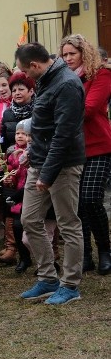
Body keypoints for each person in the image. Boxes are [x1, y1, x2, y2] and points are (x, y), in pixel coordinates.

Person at [15, 43, 86, 305]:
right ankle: (47, 278)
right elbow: (43, 126)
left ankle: (70, 285)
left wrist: (47, 174)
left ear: (35, 65)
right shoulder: (47, 78)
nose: (24, 75)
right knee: (30, 219)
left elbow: (64, 135)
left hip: (63, 164)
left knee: (68, 224)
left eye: (25, 70)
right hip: (40, 161)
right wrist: (34, 157)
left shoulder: (66, 84)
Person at [59, 34, 111, 275]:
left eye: (72, 53)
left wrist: (60, 112)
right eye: (65, 54)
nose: (68, 58)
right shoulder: (62, 79)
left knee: (90, 198)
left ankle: (104, 250)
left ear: (84, 53)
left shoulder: (100, 75)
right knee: (77, 204)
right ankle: (86, 256)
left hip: (99, 145)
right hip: (73, 149)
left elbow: (89, 109)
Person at [3, 119, 32, 274]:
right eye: (18, 133)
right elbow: (14, 172)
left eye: (25, 133)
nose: (21, 136)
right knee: (17, 226)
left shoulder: (33, 151)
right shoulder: (12, 153)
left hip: (33, 191)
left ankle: (49, 257)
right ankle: (24, 257)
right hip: (20, 193)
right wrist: (10, 179)